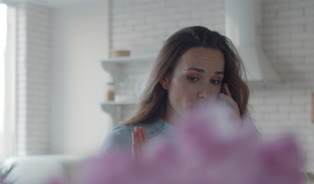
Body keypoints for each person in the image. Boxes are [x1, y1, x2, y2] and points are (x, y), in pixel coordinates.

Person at [102, 26, 250, 157]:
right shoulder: (122, 141)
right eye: (193, 78)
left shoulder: (222, 142)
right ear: (165, 79)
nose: (205, 93)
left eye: (215, 81)